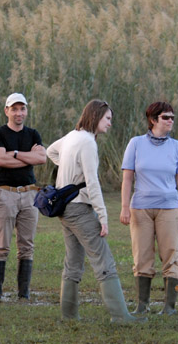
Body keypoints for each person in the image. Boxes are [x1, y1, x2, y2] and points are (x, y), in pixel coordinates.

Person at [47, 99, 142, 323]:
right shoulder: (88, 142)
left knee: (73, 262)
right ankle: (120, 316)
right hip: (79, 209)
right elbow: (93, 184)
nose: (110, 123)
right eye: (107, 118)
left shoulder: (72, 136)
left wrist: (69, 168)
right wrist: (103, 216)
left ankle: (69, 316)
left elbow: (51, 151)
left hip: (65, 210)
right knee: (103, 260)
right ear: (96, 116)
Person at [120, 101, 178, 316]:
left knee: (170, 254)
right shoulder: (136, 144)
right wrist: (124, 208)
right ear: (153, 120)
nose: (170, 121)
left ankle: (169, 307)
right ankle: (142, 305)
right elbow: (127, 178)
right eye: (166, 117)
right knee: (142, 256)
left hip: (169, 208)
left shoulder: (177, 147)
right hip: (140, 208)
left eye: (172, 117)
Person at [0, 93, 46, 299]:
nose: (18, 113)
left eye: (22, 109)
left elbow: (41, 158)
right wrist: (26, 157)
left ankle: (24, 294)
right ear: (7, 111)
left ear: (26, 111)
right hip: (5, 193)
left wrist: (13, 154)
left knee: (27, 246)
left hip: (29, 195)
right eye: (14, 109)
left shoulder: (33, 134)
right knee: (2, 246)